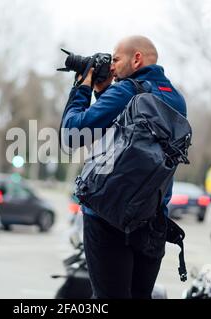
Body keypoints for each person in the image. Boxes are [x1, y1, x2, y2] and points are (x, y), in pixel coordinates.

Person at [61, 35, 187, 299]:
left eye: (116, 59)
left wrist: (82, 86)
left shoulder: (127, 90)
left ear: (137, 58)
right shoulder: (176, 99)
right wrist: (103, 92)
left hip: (107, 219)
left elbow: (72, 135)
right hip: (151, 221)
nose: (113, 66)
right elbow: (129, 134)